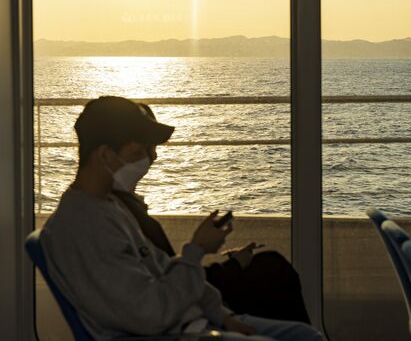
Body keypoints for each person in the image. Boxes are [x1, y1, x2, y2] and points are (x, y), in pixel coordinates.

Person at [40, 96, 323, 341]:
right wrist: (196, 250)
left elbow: (161, 269)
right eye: (137, 152)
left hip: (196, 321)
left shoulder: (110, 207)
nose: (148, 160)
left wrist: (223, 317)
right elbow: (150, 315)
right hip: (175, 333)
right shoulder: (82, 227)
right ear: (104, 154)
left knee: (306, 336)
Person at [110, 102, 310, 324]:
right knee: (273, 271)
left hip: (185, 297)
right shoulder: (116, 215)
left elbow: (164, 271)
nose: (152, 158)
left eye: (153, 149)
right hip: (185, 309)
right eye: (141, 150)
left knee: (269, 266)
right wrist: (218, 258)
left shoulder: (122, 208)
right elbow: (166, 290)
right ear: (107, 153)